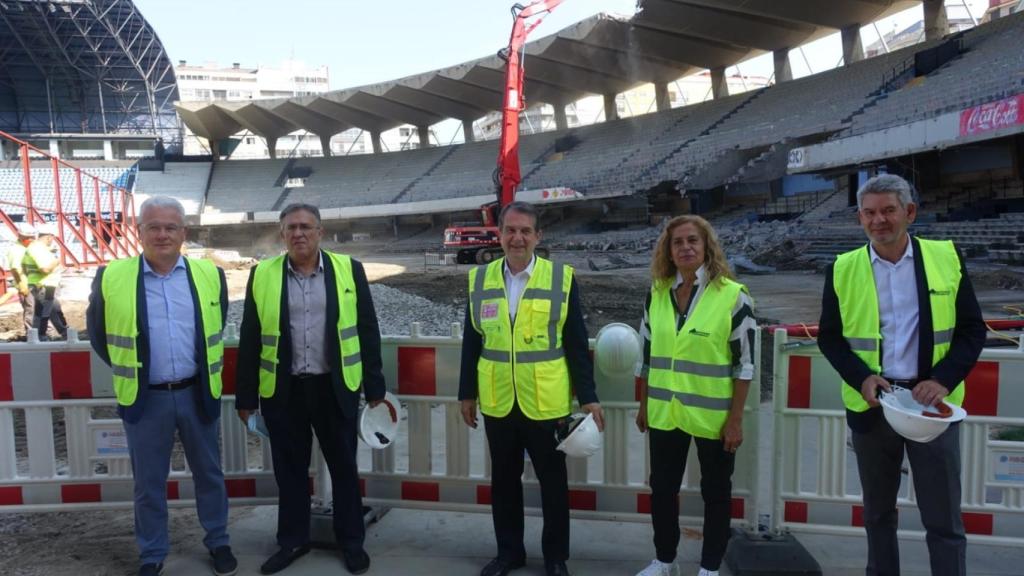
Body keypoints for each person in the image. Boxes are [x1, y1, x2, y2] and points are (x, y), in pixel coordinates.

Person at [818, 174, 986, 576]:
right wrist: (862, 378)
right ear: (860, 218)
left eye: (889, 210)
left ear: (909, 213)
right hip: (874, 406)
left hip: (932, 407)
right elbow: (830, 338)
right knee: (877, 514)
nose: (880, 220)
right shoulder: (842, 269)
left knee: (943, 519)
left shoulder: (945, 258)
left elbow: (971, 330)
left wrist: (943, 380)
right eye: (871, 213)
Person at [86, 196, 237, 576]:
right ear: (139, 232)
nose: (162, 234)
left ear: (183, 233)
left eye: (171, 227)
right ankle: (152, 553)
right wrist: (133, 369)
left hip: (195, 393)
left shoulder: (209, 276)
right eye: (153, 226)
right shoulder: (112, 276)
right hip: (145, 398)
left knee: (209, 474)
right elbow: (100, 335)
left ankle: (218, 540)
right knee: (148, 483)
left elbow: (214, 327)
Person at [236, 203, 386, 575]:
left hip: (335, 387)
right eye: (291, 228)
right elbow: (250, 338)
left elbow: (367, 328)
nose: (299, 233)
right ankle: (293, 541)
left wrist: (375, 386)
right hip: (283, 390)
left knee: (345, 468)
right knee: (289, 472)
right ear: (282, 233)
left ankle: (351, 542)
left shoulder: (349, 270)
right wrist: (245, 397)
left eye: (306, 226)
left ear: (320, 232)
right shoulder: (263, 275)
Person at [459, 201, 604, 576]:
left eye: (525, 231)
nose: (517, 238)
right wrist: (467, 393)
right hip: (499, 401)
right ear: (500, 234)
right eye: (510, 230)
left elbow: (575, 343)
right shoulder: (480, 280)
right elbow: (472, 342)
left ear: (538, 236)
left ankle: (556, 557)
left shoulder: (561, 279)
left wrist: (588, 397)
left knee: (553, 485)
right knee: (504, 483)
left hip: (546, 401)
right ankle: (509, 553)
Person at [633, 215, 756, 576]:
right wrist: (644, 406)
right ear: (668, 251)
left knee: (716, 494)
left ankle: (709, 567)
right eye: (677, 242)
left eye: (692, 241)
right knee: (662, 490)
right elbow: (647, 358)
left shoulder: (732, 295)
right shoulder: (656, 293)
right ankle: (664, 560)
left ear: (706, 247)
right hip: (664, 412)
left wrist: (735, 420)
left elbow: (744, 365)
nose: (685, 247)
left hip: (713, 418)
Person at [23, 223, 67, 340]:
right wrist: (56, 262)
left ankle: (65, 332)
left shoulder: (35, 248)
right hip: (43, 285)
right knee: (43, 312)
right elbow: (45, 268)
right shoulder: (38, 249)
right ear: (49, 237)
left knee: (54, 309)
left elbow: (24, 266)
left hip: (43, 285)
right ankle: (40, 337)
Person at [6, 224, 38, 339]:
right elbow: (15, 269)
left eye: (32, 237)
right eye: (28, 237)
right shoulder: (16, 250)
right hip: (26, 285)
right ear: (20, 236)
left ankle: (41, 333)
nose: (31, 239)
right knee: (31, 310)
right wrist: (22, 285)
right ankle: (31, 335)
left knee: (38, 309)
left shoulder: (27, 248)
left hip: (35, 283)